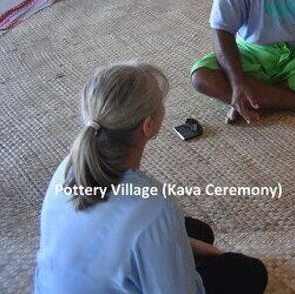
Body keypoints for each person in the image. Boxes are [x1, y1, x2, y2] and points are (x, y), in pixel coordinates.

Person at [35, 63, 268, 293]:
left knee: (198, 231)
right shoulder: (155, 206)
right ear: (148, 125)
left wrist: (185, 246)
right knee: (248, 271)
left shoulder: (69, 164)